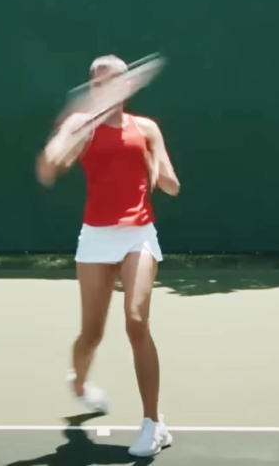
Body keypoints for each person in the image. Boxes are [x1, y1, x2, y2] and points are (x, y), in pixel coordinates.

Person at [36, 54, 180, 458]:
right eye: (97, 83)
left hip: (139, 235)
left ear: (126, 85)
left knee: (136, 321)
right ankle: (80, 384)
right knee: (92, 334)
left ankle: (154, 423)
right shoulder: (80, 127)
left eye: (112, 81)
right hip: (96, 237)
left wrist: (155, 166)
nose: (105, 88)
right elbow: (50, 167)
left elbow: (171, 185)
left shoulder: (146, 128)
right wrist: (63, 140)